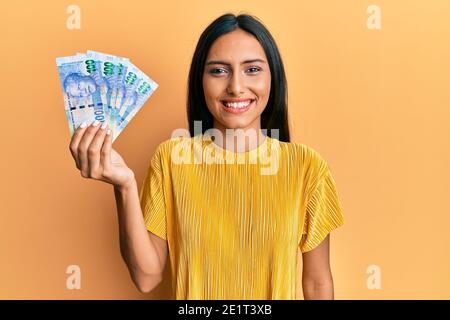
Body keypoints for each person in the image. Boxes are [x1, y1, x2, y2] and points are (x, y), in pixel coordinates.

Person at [68, 13, 345, 300]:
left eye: (252, 69)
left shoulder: (307, 167)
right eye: (219, 71)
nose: (236, 86)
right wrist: (124, 185)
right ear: (200, 80)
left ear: (273, 77)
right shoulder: (171, 159)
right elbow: (147, 278)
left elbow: (316, 281)